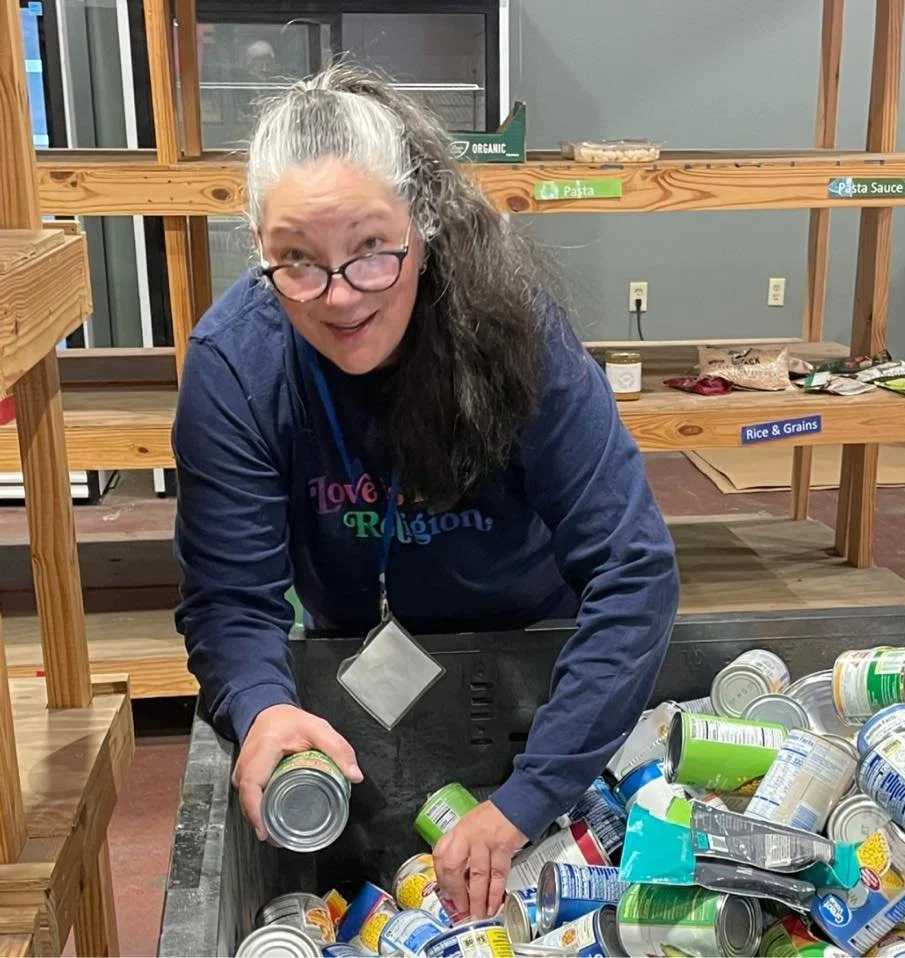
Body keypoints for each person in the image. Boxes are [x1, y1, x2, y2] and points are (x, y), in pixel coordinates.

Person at [173, 63, 679, 922]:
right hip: (355, 657)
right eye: (296, 262)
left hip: (534, 659)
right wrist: (259, 708)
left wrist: (528, 799)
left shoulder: (517, 331)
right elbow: (230, 600)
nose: (338, 298)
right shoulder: (234, 367)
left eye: (371, 249)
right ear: (258, 244)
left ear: (425, 221)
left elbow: (634, 572)